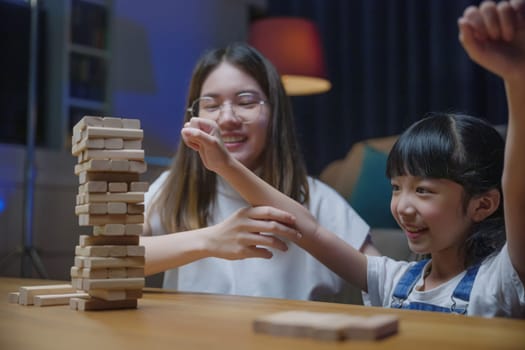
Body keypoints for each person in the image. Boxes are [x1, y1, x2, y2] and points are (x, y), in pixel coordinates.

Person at [181, 0, 525, 317]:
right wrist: (225, 165)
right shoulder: (393, 280)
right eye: (396, 188)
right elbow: (307, 228)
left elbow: (518, 186)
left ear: (484, 204)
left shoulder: (502, 281)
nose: (403, 207)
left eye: (423, 191)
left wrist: (515, 78)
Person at [142, 42, 379, 301]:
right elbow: (111, 258)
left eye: (246, 102)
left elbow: (384, 280)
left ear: (274, 112)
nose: (228, 118)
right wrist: (209, 240)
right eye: (211, 105)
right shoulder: (173, 188)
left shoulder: (318, 198)